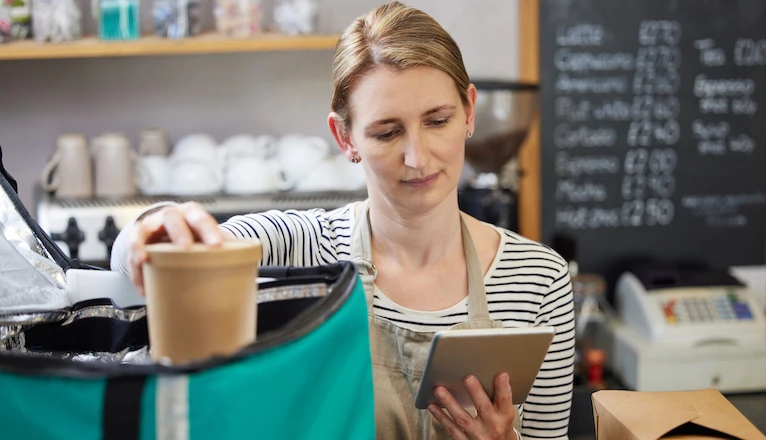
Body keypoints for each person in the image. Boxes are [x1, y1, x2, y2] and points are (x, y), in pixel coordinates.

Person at [112, 2, 575, 439]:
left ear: (469, 111)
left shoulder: (538, 279)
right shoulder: (301, 248)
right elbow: (135, 266)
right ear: (345, 137)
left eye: (437, 121)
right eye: (387, 132)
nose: (417, 157)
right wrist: (151, 228)